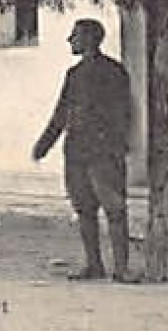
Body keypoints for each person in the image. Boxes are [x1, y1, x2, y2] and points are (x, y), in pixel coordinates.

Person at [31, 18, 139, 284]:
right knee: (84, 208)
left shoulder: (114, 72)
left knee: (114, 208)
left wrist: (114, 143)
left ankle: (122, 268)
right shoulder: (74, 74)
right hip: (77, 151)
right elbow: (61, 113)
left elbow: (123, 112)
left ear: (90, 39)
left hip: (103, 153)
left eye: (75, 36)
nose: (70, 40)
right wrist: (44, 144)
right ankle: (94, 264)